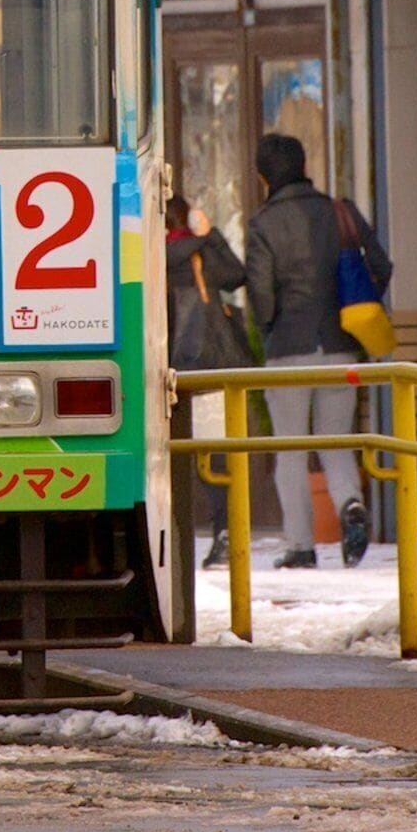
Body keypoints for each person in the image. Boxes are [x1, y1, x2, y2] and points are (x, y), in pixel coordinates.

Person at [242, 133, 388, 568]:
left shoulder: (263, 224)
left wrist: (271, 328)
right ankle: (349, 504)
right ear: (304, 166)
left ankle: (301, 546)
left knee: (290, 450)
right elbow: (380, 266)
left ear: (263, 175)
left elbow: (261, 297)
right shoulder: (340, 210)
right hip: (341, 346)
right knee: (336, 441)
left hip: (288, 350)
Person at [163, 195, 252, 566]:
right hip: (208, 366)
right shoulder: (201, 254)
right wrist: (211, 234)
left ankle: (173, 537)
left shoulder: (150, 257)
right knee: (213, 454)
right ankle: (224, 530)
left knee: (170, 457)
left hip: (166, 373)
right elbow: (237, 274)